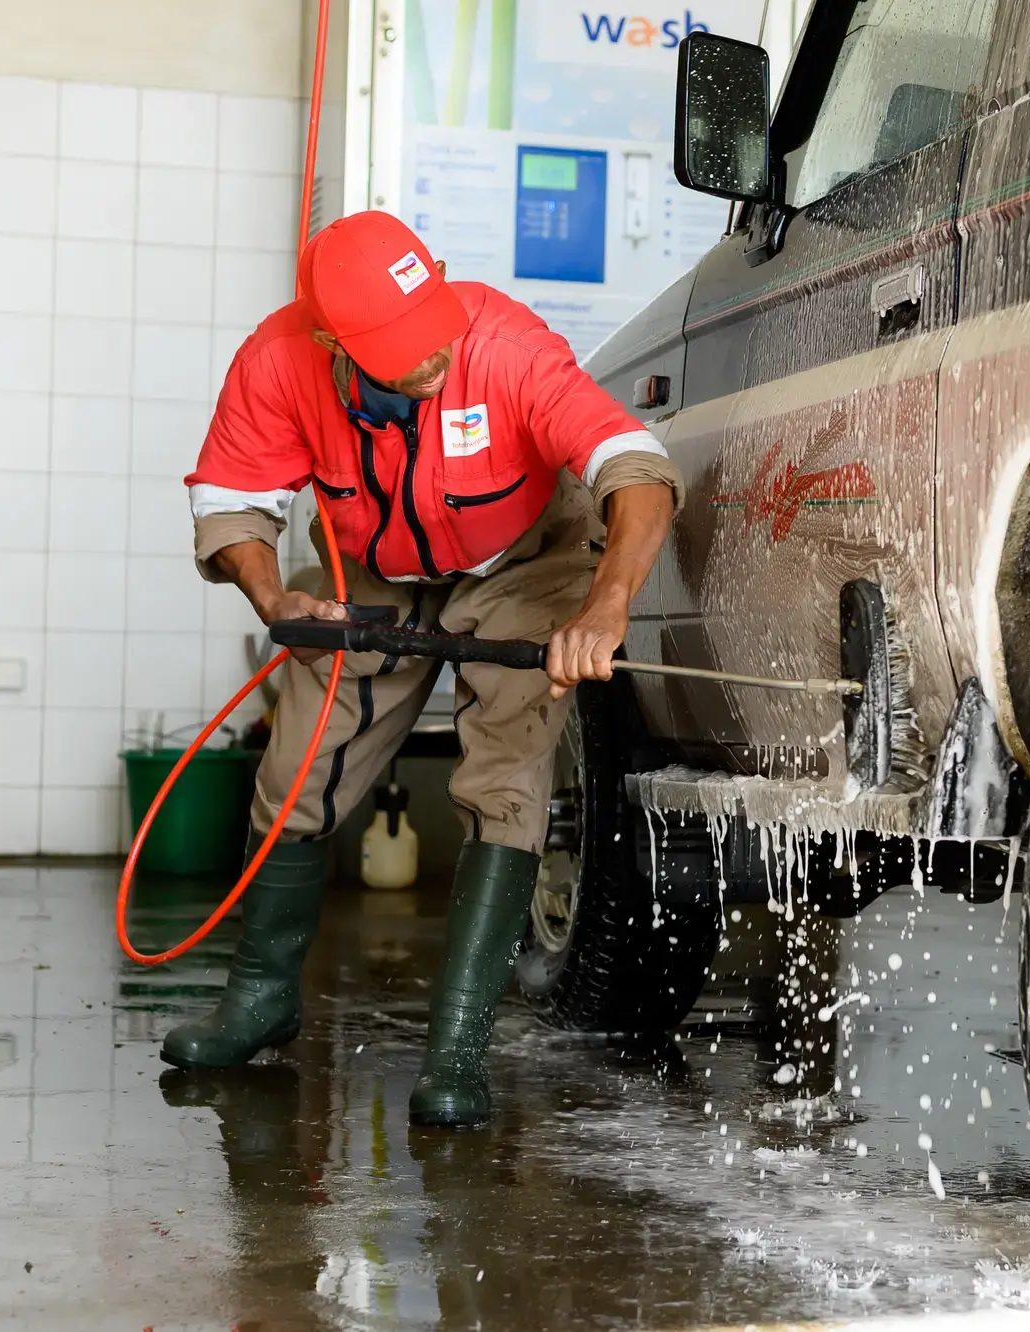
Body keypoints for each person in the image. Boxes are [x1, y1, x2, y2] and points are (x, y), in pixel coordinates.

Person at [160, 210, 680, 1128]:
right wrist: (275, 598)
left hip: (525, 555)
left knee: (506, 773)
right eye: (404, 349)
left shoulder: (506, 343)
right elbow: (235, 496)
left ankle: (456, 1053)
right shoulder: (278, 362)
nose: (435, 357)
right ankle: (259, 999)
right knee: (297, 772)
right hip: (373, 565)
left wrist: (604, 605)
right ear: (331, 343)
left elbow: (632, 465)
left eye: (433, 329)